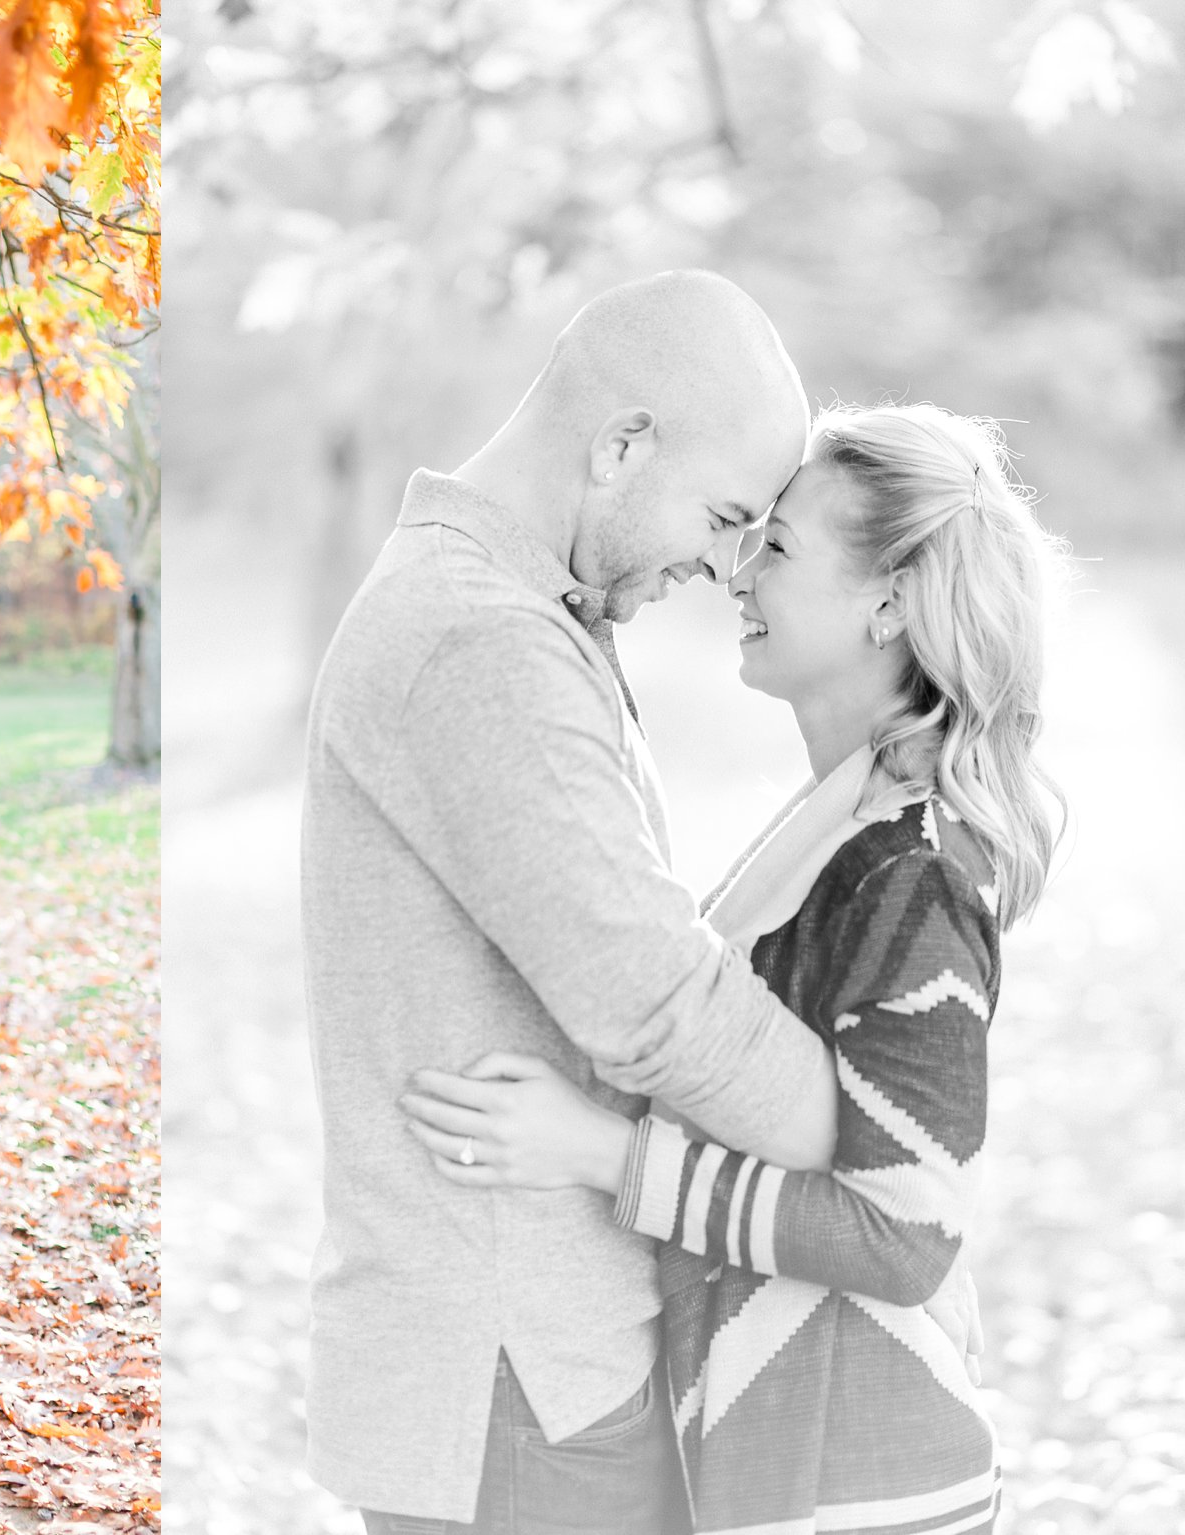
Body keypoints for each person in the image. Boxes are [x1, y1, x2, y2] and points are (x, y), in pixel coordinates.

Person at [402, 403, 1063, 1535]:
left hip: (861, 1477)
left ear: (889, 602)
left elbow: (906, 1235)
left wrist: (603, 1150)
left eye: (779, 546)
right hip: (780, 1459)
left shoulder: (907, 874)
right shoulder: (829, 833)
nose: (735, 573)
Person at [300, 270, 850, 1533]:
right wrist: (866, 1130)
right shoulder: (475, 638)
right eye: (722, 516)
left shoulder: (515, 614)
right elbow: (651, 997)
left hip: (533, 1353)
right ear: (618, 445)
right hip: (518, 1372)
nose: (725, 567)